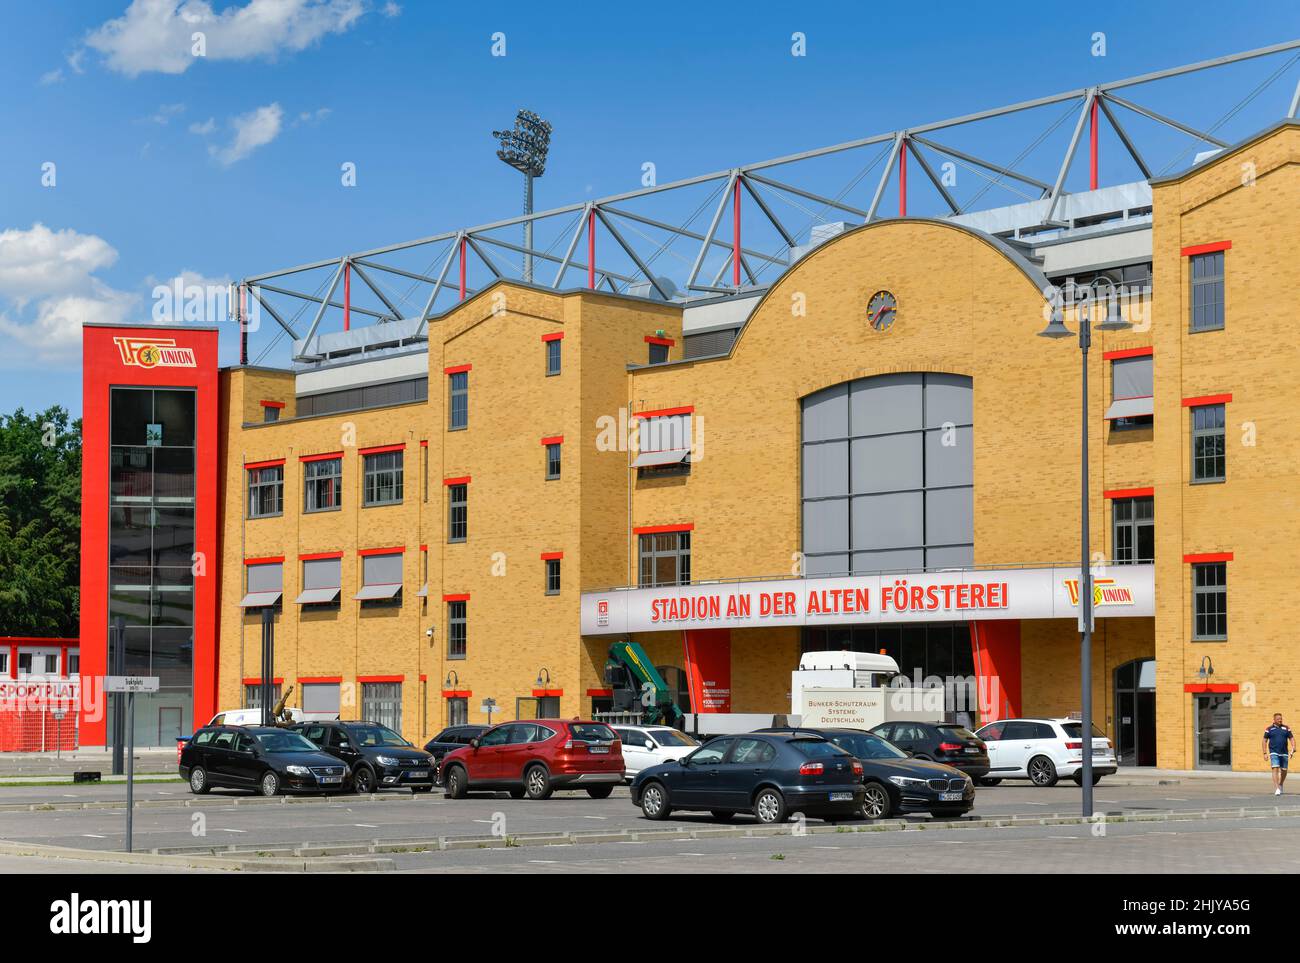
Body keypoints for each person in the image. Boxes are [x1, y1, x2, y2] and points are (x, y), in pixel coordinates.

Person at [1263, 713, 1295, 795]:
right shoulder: (1269, 729)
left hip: (1284, 752)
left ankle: (1281, 784)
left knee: (1284, 770)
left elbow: (1291, 738)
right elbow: (1264, 741)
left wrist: (1293, 747)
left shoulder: (1286, 728)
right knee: (1275, 768)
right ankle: (1277, 788)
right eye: (1278, 719)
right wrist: (1265, 753)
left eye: (1281, 718)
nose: (1280, 720)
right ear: (1274, 720)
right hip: (1274, 752)